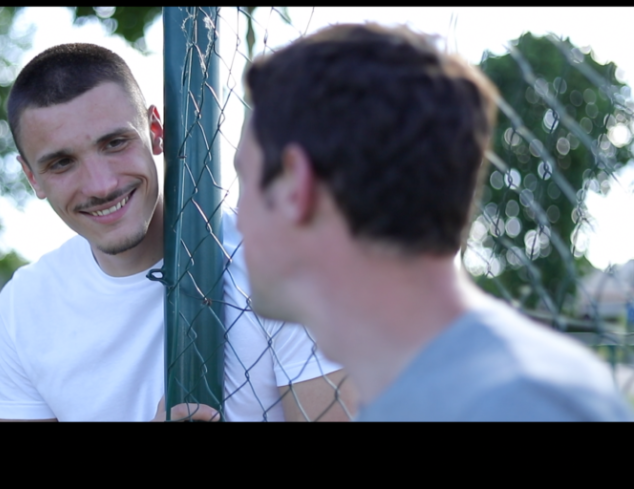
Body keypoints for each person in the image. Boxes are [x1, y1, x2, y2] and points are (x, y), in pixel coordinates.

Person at [233, 23, 634, 421]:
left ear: (295, 187)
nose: (238, 220)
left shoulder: (518, 403)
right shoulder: (460, 390)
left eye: (245, 180)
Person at [0, 43, 356, 422]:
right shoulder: (23, 306)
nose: (101, 185)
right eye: (62, 163)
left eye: (115, 143)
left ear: (156, 131)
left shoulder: (287, 264)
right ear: (32, 177)